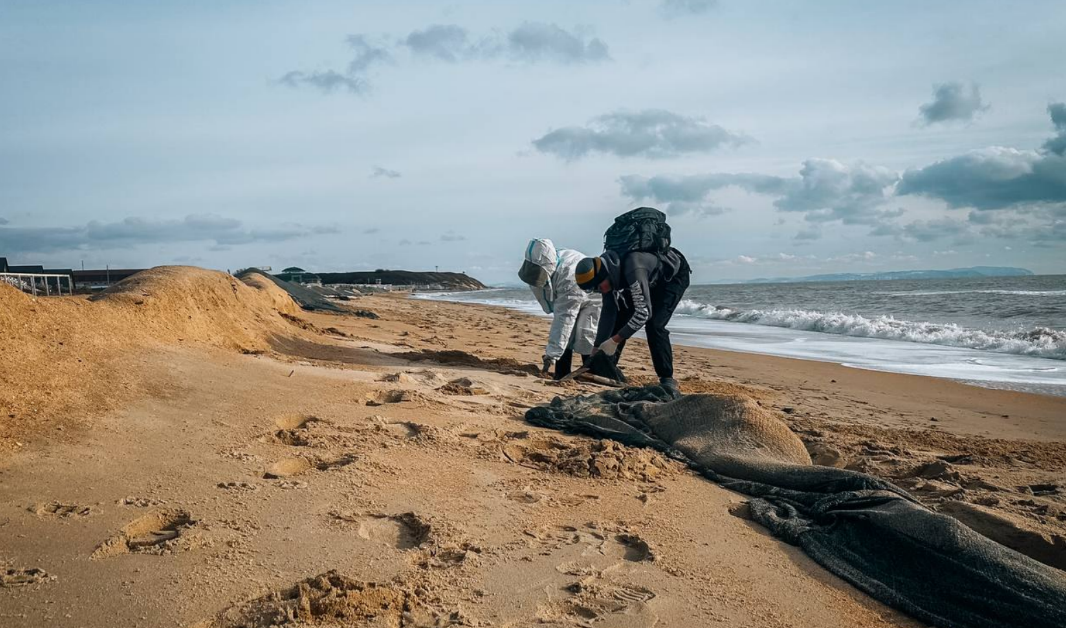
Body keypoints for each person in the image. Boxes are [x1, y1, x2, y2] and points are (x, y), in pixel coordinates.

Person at [574, 247, 690, 392]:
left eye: (598, 287)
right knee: (620, 320)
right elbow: (609, 312)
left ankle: (667, 377)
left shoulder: (632, 268)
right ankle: (606, 367)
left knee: (654, 325)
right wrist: (596, 349)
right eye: (594, 290)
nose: (599, 290)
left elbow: (643, 313)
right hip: (647, 278)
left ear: (604, 275)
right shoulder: (605, 275)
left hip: (671, 279)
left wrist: (614, 340)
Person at [518, 238, 602, 379]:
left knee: (586, 334)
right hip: (574, 293)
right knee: (567, 337)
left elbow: (565, 318)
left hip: (593, 297)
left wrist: (552, 354)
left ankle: (592, 373)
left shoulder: (569, 276)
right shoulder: (549, 259)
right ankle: (562, 372)